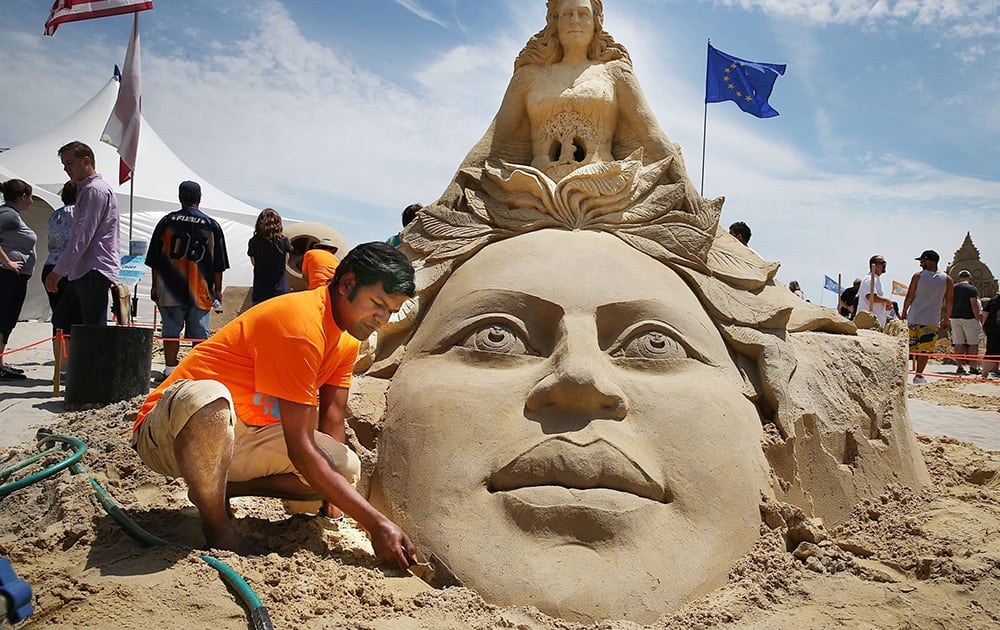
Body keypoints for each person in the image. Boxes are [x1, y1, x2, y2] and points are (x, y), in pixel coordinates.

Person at [364, 0, 924, 623]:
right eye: (495, 337)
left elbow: (653, 141)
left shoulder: (617, 77)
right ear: (551, 20)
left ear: (596, 19)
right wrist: (444, 210)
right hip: (526, 195)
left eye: (652, 344)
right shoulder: (529, 78)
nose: (579, 380)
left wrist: (692, 216)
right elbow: (495, 141)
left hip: (615, 195)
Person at [132, 241, 418, 568]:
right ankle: (217, 528)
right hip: (170, 432)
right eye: (377, 304)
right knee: (211, 400)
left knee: (344, 469)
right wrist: (375, 522)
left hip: (241, 437)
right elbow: (300, 447)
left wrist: (333, 500)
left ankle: (217, 489)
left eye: (390, 312)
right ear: (348, 284)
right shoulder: (301, 323)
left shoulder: (348, 338)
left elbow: (332, 416)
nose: (381, 318)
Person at [145, 181, 230, 379]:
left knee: (171, 331)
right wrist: (217, 290)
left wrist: (155, 286)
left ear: (180, 197)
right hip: (200, 289)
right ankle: (195, 372)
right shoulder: (212, 225)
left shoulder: (167, 222)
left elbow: (155, 259)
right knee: (199, 334)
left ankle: (170, 370)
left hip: (169, 288)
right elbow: (219, 263)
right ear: (199, 199)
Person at [44, 141, 120, 333]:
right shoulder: (89, 189)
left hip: (92, 269)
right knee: (65, 320)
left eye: (69, 163)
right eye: (64, 164)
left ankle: (92, 363)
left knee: (91, 328)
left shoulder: (94, 190)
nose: (66, 169)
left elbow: (82, 235)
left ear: (86, 161)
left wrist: (59, 270)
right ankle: (74, 363)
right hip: (86, 269)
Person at [0, 179, 38, 380]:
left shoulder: (11, 215)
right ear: (22, 196)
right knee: (5, 317)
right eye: (30, 197)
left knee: (7, 317)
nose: (31, 201)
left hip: (13, 277)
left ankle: (1, 361)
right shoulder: (9, 215)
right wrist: (8, 263)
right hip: (8, 276)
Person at [901, 250, 953, 384]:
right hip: (931, 320)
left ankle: (903, 375)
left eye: (922, 261)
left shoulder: (918, 276)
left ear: (929, 261)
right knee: (925, 349)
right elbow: (949, 301)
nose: (920, 264)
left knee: (909, 347)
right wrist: (946, 318)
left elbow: (910, 296)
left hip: (915, 317)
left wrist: (904, 311)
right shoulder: (947, 279)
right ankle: (918, 376)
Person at [42, 181, 76, 313]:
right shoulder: (79, 213)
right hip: (68, 268)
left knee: (58, 315)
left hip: (50, 265)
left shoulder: (55, 214)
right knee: (73, 318)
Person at [247, 208, 292, 305]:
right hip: (280, 291)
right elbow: (286, 262)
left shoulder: (253, 242)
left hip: (260, 292)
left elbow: (253, 263)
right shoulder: (283, 242)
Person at [949, 270, 983, 375]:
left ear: (959, 278)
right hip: (969, 318)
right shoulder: (971, 288)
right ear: (970, 278)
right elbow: (973, 303)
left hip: (954, 318)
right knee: (973, 343)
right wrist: (977, 317)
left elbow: (948, 302)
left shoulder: (953, 288)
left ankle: (959, 366)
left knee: (958, 342)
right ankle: (973, 367)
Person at [857, 255, 892, 329]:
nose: (884, 265)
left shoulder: (876, 279)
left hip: (875, 322)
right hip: (868, 322)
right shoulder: (870, 279)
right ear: (874, 265)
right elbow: (870, 296)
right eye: (882, 263)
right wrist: (886, 300)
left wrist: (884, 304)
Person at [980, 293, 1000, 380]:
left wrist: (984, 326)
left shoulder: (994, 299)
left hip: (993, 328)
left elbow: (984, 313)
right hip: (994, 328)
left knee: (990, 352)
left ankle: (984, 375)